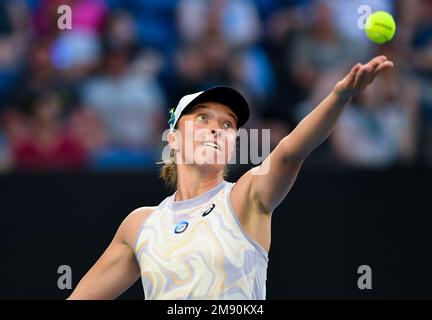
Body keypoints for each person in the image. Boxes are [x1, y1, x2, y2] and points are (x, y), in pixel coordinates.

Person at [67, 55, 394, 300]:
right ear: (174, 139)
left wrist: (339, 98)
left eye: (227, 125)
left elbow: (291, 151)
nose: (216, 128)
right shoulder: (139, 225)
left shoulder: (245, 196)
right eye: (203, 118)